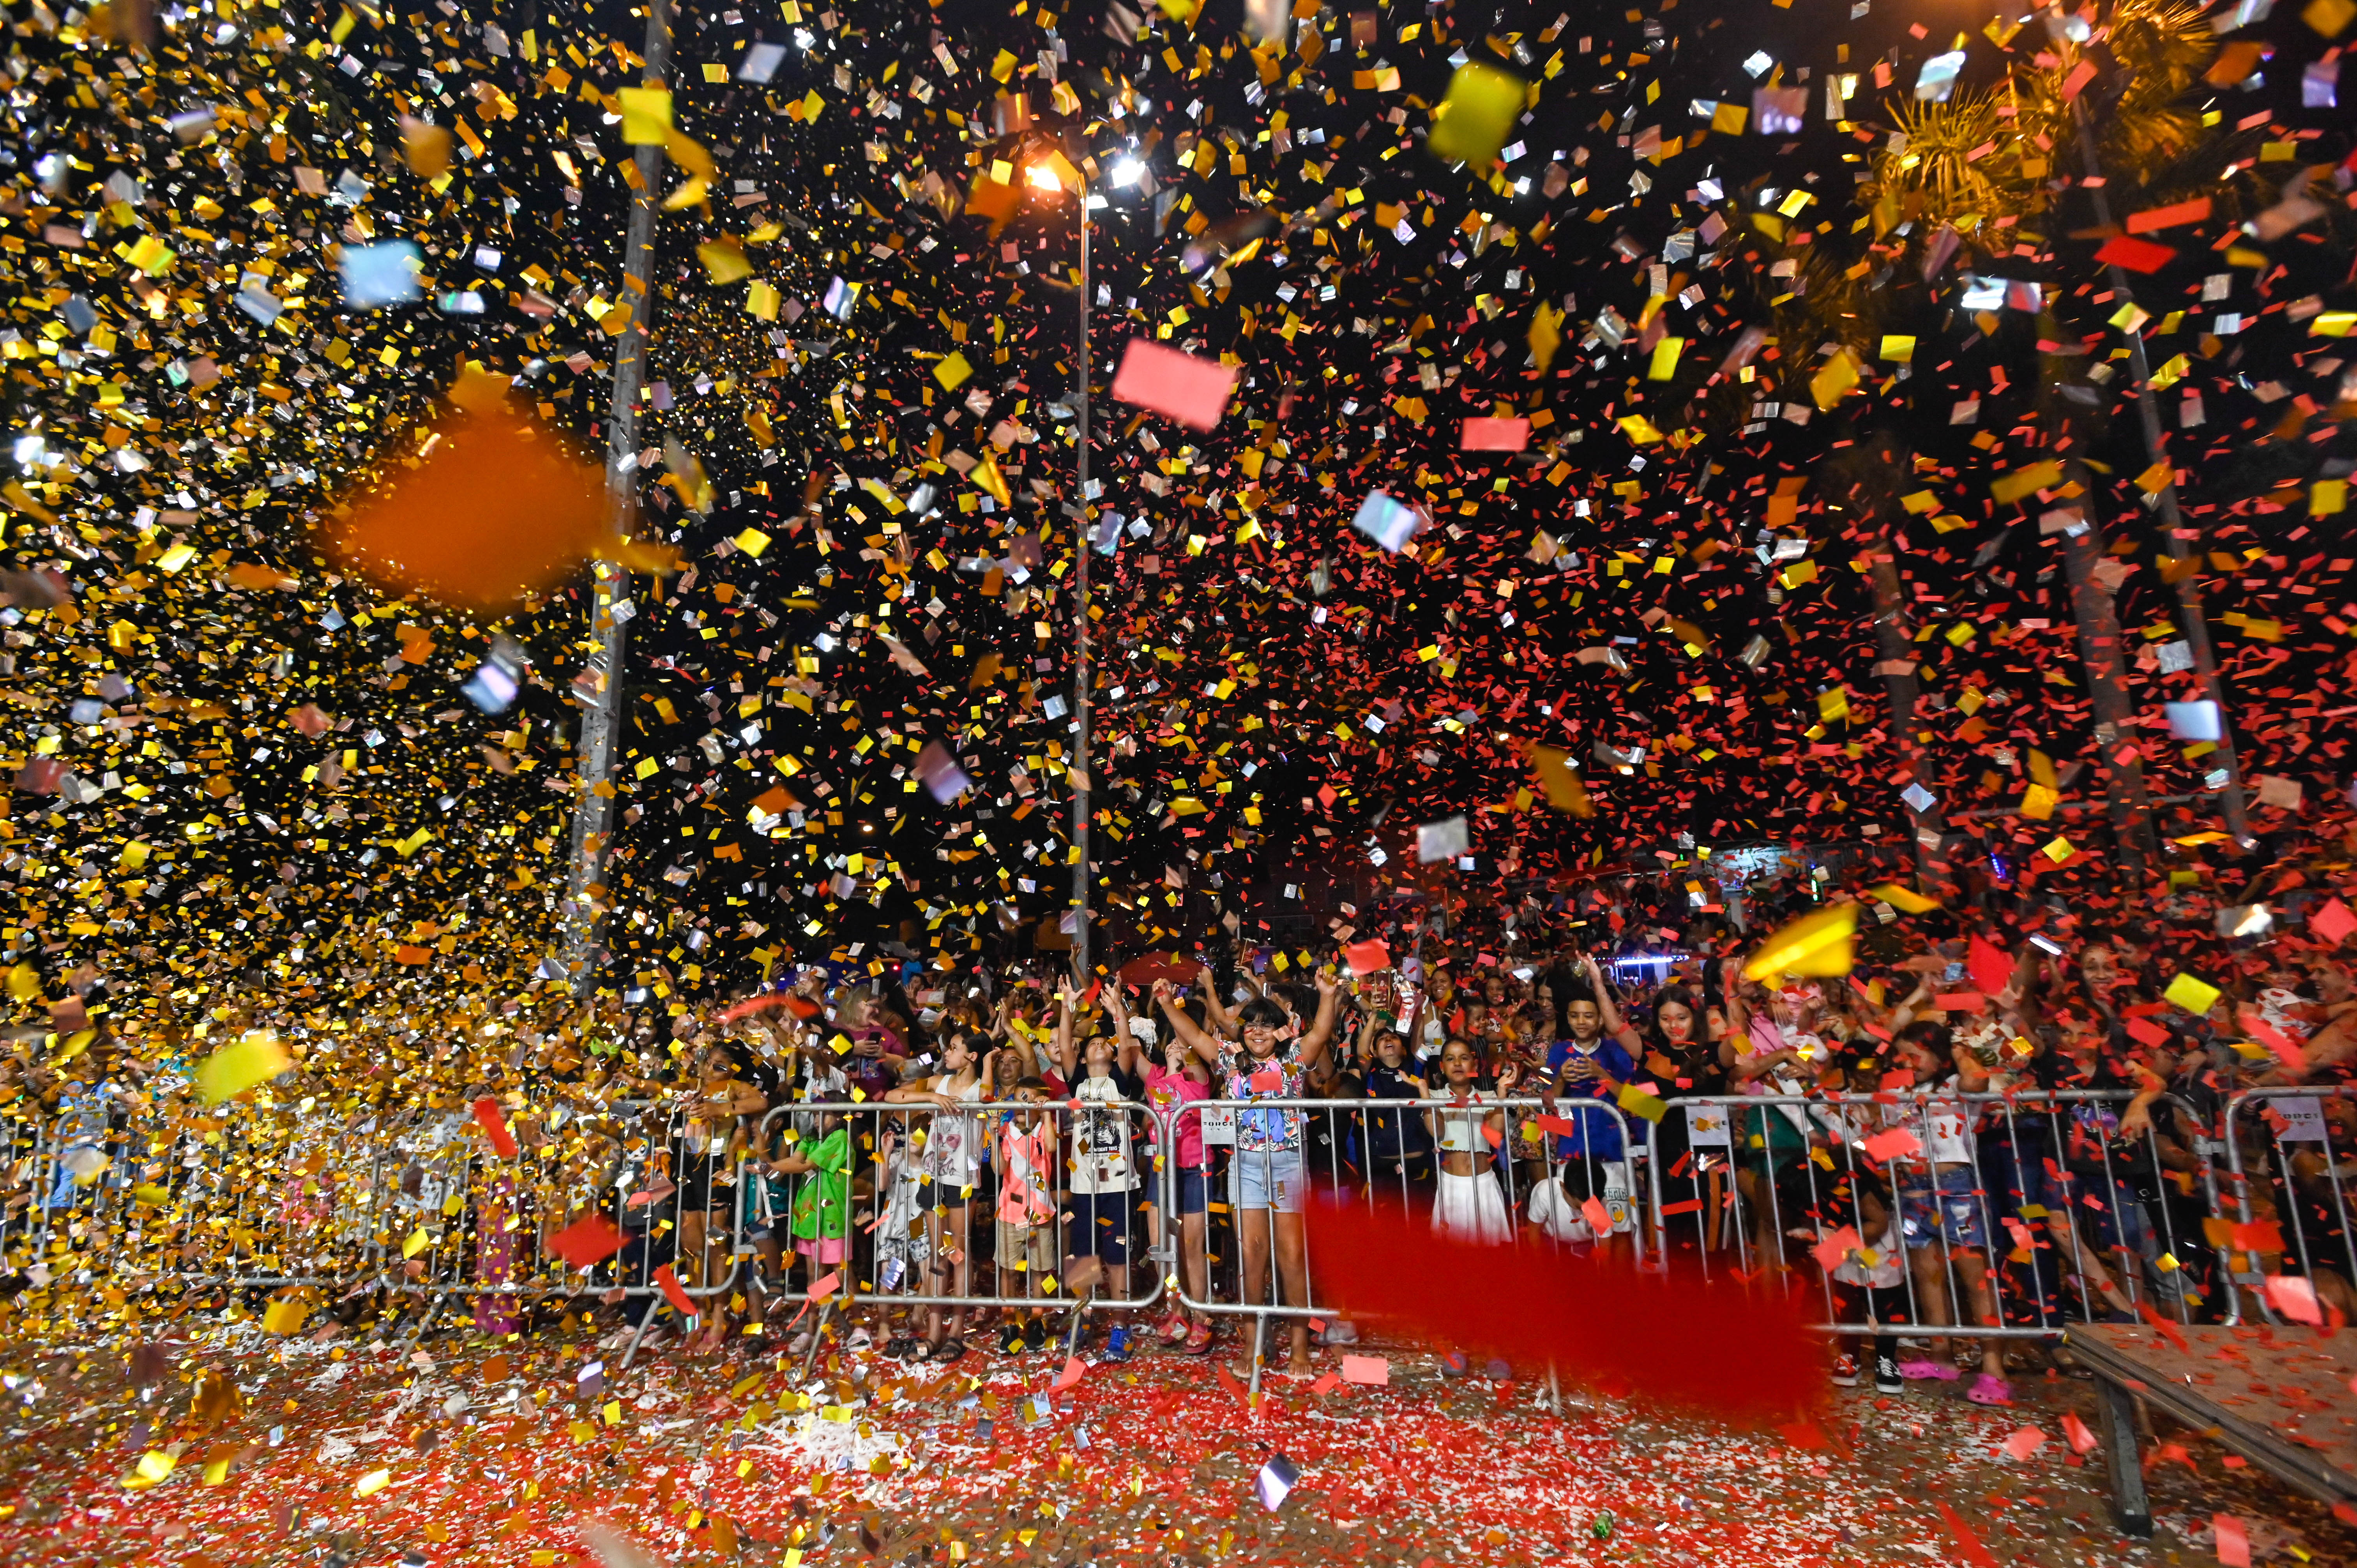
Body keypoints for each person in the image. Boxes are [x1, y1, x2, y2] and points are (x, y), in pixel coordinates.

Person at [1155, 970, 1341, 1380]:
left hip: (1288, 1165)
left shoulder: (1294, 1060)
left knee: (1291, 1258)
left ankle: (1299, 1348)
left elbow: (1322, 1033)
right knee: (1252, 1256)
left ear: (1279, 1031)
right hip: (1246, 1166)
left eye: (1267, 1024)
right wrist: (1169, 1004)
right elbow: (1197, 1038)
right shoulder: (1230, 1060)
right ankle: (1254, 1345)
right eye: (1252, 1024)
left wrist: (1326, 995)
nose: (1258, 1030)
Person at [1052, 982, 1147, 1361]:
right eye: (1091, 1042)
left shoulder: (1118, 1081)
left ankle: (1121, 1327)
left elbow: (1126, 1045)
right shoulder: (1079, 1082)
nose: (1098, 1045)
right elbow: (1064, 1040)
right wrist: (1067, 1007)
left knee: (1118, 1255)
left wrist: (1117, 1009)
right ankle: (1084, 1319)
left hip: (1119, 1182)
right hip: (1084, 1183)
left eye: (1102, 1043)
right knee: (1083, 1256)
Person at [882, 1028, 986, 1363]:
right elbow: (891, 1098)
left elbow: (987, 1091)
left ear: (971, 1056)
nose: (947, 1053)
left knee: (959, 1253)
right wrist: (931, 1098)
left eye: (955, 1048)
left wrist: (991, 1061)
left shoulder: (980, 1086)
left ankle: (957, 1329)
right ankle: (935, 1330)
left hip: (963, 1180)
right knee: (939, 1256)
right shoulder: (937, 1083)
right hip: (933, 1177)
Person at [1425, 1037, 1516, 1243]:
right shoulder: (1434, 1096)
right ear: (1442, 1066)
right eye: (1450, 1058)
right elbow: (1437, 1133)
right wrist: (1424, 1093)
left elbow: (1494, 1134)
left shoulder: (1488, 1096)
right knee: (1453, 1256)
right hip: (1452, 1186)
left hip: (1484, 1184)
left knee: (1490, 1254)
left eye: (1464, 1058)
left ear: (1474, 1065)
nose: (1457, 1063)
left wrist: (1502, 1092)